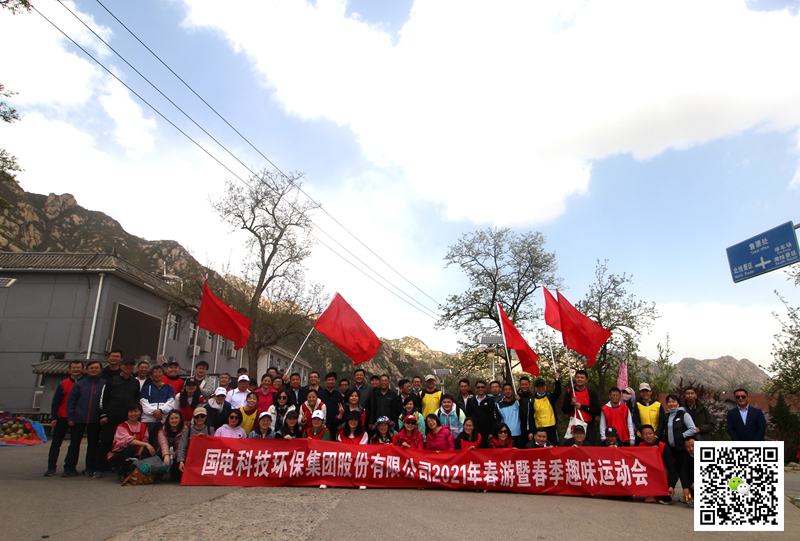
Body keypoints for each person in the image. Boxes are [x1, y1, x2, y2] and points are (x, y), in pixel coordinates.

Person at [96, 357, 140, 477]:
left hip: (127, 418)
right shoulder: (111, 381)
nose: (128, 367)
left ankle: (118, 466)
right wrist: (103, 414)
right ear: (121, 366)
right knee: (106, 441)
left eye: (131, 365)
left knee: (125, 443)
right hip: (111, 416)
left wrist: (136, 415)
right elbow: (103, 398)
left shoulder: (135, 382)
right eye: (126, 365)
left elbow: (136, 400)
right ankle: (99, 467)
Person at [64, 360, 105, 477]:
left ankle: (90, 467)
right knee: (74, 444)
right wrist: (70, 417)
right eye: (91, 368)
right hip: (79, 418)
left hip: (96, 419)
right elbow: (71, 401)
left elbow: (106, 402)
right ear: (86, 370)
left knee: (93, 445)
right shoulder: (80, 383)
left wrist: (103, 415)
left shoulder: (104, 383)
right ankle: (69, 467)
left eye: (96, 368)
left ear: (100, 369)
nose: (94, 370)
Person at [45, 360, 84, 477]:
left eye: (78, 368)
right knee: (56, 443)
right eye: (74, 368)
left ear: (83, 370)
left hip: (78, 417)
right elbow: (56, 402)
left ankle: (70, 467)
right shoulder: (63, 383)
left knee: (75, 444)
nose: (76, 370)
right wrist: (54, 417)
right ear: (69, 370)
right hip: (62, 416)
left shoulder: (85, 383)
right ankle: (51, 467)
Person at [106, 403, 154, 483]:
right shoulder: (122, 426)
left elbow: (144, 441)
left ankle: (131, 468)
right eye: (130, 412)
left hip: (134, 455)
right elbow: (130, 441)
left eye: (136, 411)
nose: (133, 414)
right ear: (127, 413)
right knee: (133, 447)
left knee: (147, 450)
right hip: (117, 456)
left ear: (140, 413)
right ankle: (122, 472)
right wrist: (146, 444)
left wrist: (139, 456)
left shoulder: (143, 426)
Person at [658, 393, 697, 475]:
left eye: (673, 401)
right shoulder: (667, 416)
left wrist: (682, 435)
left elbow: (693, 429)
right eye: (669, 402)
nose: (671, 404)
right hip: (671, 449)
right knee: (674, 471)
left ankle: (687, 487)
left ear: (678, 403)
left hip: (682, 448)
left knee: (684, 471)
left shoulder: (684, 415)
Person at [640, 424, 677, 504]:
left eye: (650, 433)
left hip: (661, 471)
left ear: (654, 434)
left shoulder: (663, 447)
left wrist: (671, 486)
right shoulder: (640, 446)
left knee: (665, 471)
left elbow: (672, 467)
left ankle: (663, 493)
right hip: (647, 470)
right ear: (642, 437)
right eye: (645, 434)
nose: (648, 436)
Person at [561, 369, 601, 445]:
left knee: (589, 449)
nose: (580, 379)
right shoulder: (570, 392)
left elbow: (597, 411)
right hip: (574, 425)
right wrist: (572, 404)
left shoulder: (591, 393)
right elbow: (564, 410)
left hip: (588, 426)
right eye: (578, 377)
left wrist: (582, 407)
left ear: (586, 380)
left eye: (582, 377)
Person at [139, 365, 176, 445]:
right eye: (155, 373)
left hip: (163, 421)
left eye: (159, 372)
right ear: (151, 375)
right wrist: (155, 412)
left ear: (163, 374)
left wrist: (161, 411)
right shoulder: (146, 388)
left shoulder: (169, 388)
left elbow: (171, 403)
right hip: (148, 421)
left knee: (160, 443)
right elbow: (143, 403)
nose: (157, 374)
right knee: (146, 442)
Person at [177, 407, 215, 473]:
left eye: (202, 416)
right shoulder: (188, 431)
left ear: (206, 417)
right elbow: (182, 447)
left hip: (206, 460)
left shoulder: (211, 430)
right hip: (191, 460)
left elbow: (214, 446)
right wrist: (181, 461)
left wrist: (205, 438)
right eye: (197, 417)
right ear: (194, 418)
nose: (200, 419)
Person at [530, 374, 561, 447]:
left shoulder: (550, 397)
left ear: (545, 387)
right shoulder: (532, 400)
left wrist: (557, 380)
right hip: (539, 429)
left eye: (542, 386)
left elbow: (558, 391)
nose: (541, 388)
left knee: (554, 447)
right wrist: (531, 431)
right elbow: (530, 417)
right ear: (535, 388)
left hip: (551, 428)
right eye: (539, 386)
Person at [466, 380, 500, 447]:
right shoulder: (471, 400)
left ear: (485, 389)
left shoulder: (490, 401)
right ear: (476, 389)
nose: (480, 389)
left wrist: (491, 432)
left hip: (486, 432)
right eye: (478, 387)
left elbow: (493, 417)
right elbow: (468, 415)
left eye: (482, 387)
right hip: (474, 431)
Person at [158, 410, 185, 482]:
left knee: (181, 456)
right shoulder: (162, 430)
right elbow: (163, 443)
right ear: (168, 420)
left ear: (180, 419)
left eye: (176, 418)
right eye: (172, 418)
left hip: (177, 452)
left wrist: (176, 452)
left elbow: (183, 445)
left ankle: (175, 474)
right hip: (166, 451)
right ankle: (159, 474)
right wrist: (166, 455)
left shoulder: (185, 430)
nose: (174, 420)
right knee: (160, 452)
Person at [497, 383, 523, 448]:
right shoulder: (499, 405)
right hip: (505, 434)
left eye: (509, 389)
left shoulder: (517, 402)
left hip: (518, 433)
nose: (508, 391)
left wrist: (520, 400)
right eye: (506, 389)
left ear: (512, 391)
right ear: (503, 392)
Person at [680, 437, 695, 506]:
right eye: (688, 447)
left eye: (693, 446)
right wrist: (685, 488)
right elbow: (684, 472)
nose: (691, 449)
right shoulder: (687, 456)